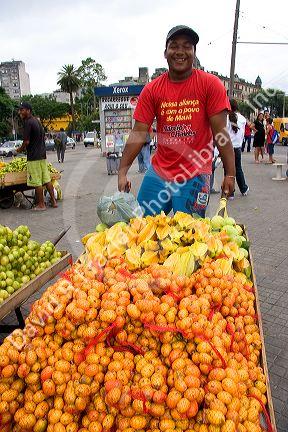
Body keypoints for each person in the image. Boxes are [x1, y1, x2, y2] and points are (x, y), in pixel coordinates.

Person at [118, 25, 235, 216]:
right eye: (174, 46)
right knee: (140, 230)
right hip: (159, 172)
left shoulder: (210, 85)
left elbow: (221, 133)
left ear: (194, 52)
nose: (180, 51)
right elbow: (139, 132)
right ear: (165, 52)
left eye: (187, 46)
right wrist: (122, 172)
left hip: (195, 174)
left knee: (190, 239)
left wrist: (230, 174)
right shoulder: (152, 89)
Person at [16, 102, 57, 210]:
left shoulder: (28, 122)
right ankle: (53, 202)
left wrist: (19, 150)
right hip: (42, 155)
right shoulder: (37, 122)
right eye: (20, 110)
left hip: (34, 157)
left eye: (22, 110)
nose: (20, 112)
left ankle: (41, 205)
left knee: (37, 181)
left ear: (28, 110)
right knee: (47, 180)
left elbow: (26, 142)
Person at [227, 99, 249, 198]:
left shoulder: (226, 118)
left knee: (228, 170)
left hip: (227, 147)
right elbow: (242, 134)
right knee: (238, 169)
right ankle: (243, 189)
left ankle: (230, 192)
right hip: (237, 147)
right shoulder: (243, 119)